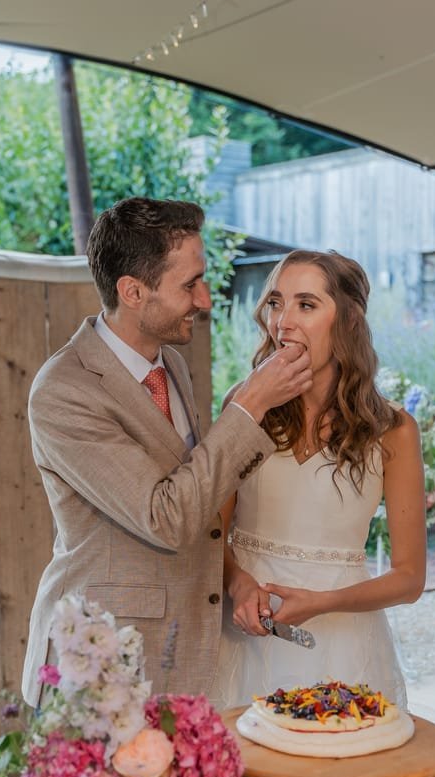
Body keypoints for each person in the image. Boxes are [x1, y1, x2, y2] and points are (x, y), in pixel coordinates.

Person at [21, 197, 312, 707]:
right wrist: (249, 406)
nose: (204, 299)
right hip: (102, 665)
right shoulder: (64, 391)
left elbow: (201, 492)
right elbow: (166, 516)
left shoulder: (171, 365)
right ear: (132, 291)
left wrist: (234, 576)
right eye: (189, 284)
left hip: (180, 648)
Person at [212, 250, 427, 709]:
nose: (283, 321)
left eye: (306, 305)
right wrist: (237, 582)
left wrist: (322, 602)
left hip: (342, 645)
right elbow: (210, 531)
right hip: (243, 638)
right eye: (275, 303)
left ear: (348, 321)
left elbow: (409, 579)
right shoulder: (245, 403)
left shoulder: (395, 431)